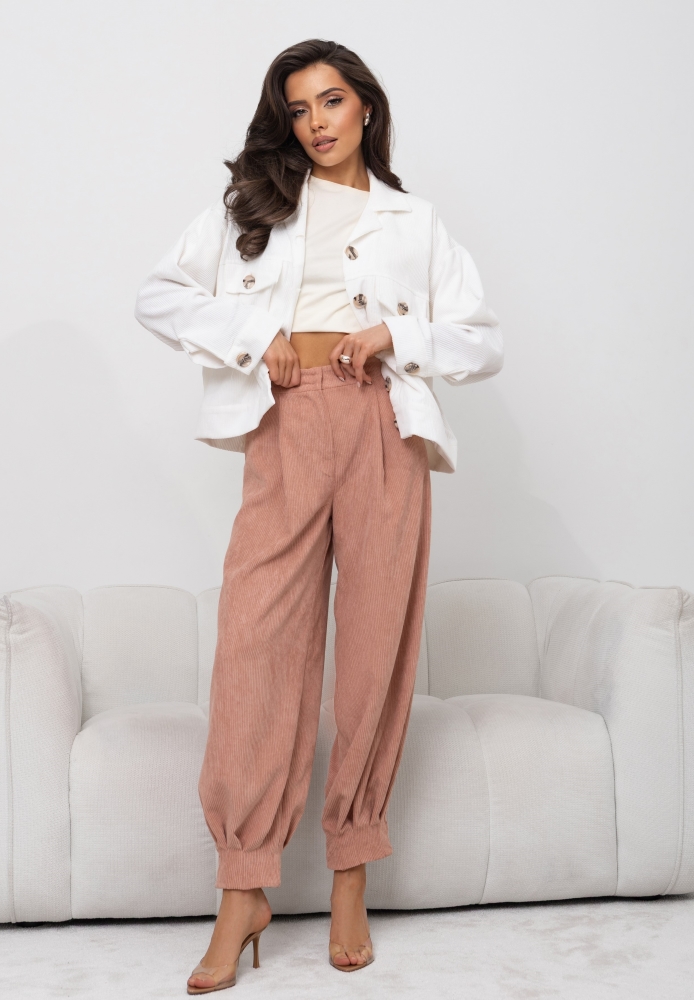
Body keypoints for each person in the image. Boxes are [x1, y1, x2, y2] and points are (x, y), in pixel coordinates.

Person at [134, 37, 503, 995]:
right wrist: (256, 333)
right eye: (299, 108)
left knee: (376, 645)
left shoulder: (415, 221)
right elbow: (158, 297)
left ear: (365, 106)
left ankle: (351, 876)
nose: (317, 122)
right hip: (287, 423)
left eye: (332, 101)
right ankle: (242, 889)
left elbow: (480, 339)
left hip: (384, 423)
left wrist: (396, 333)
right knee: (256, 645)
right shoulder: (252, 207)